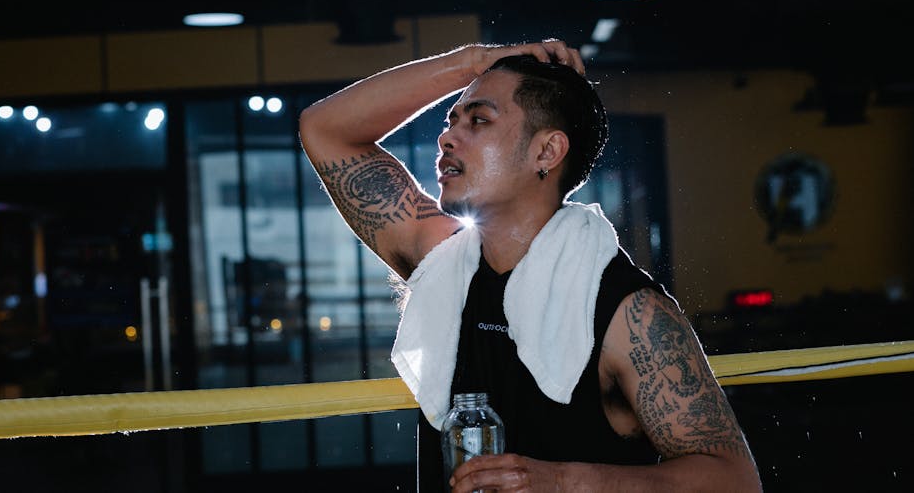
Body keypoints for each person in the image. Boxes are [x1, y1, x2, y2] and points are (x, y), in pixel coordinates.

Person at [299, 39, 762, 492]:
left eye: (478, 120)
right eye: (451, 120)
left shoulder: (629, 313)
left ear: (546, 152)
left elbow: (734, 479)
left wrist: (560, 481)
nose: (446, 136)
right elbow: (323, 128)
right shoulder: (443, 259)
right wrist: (474, 61)